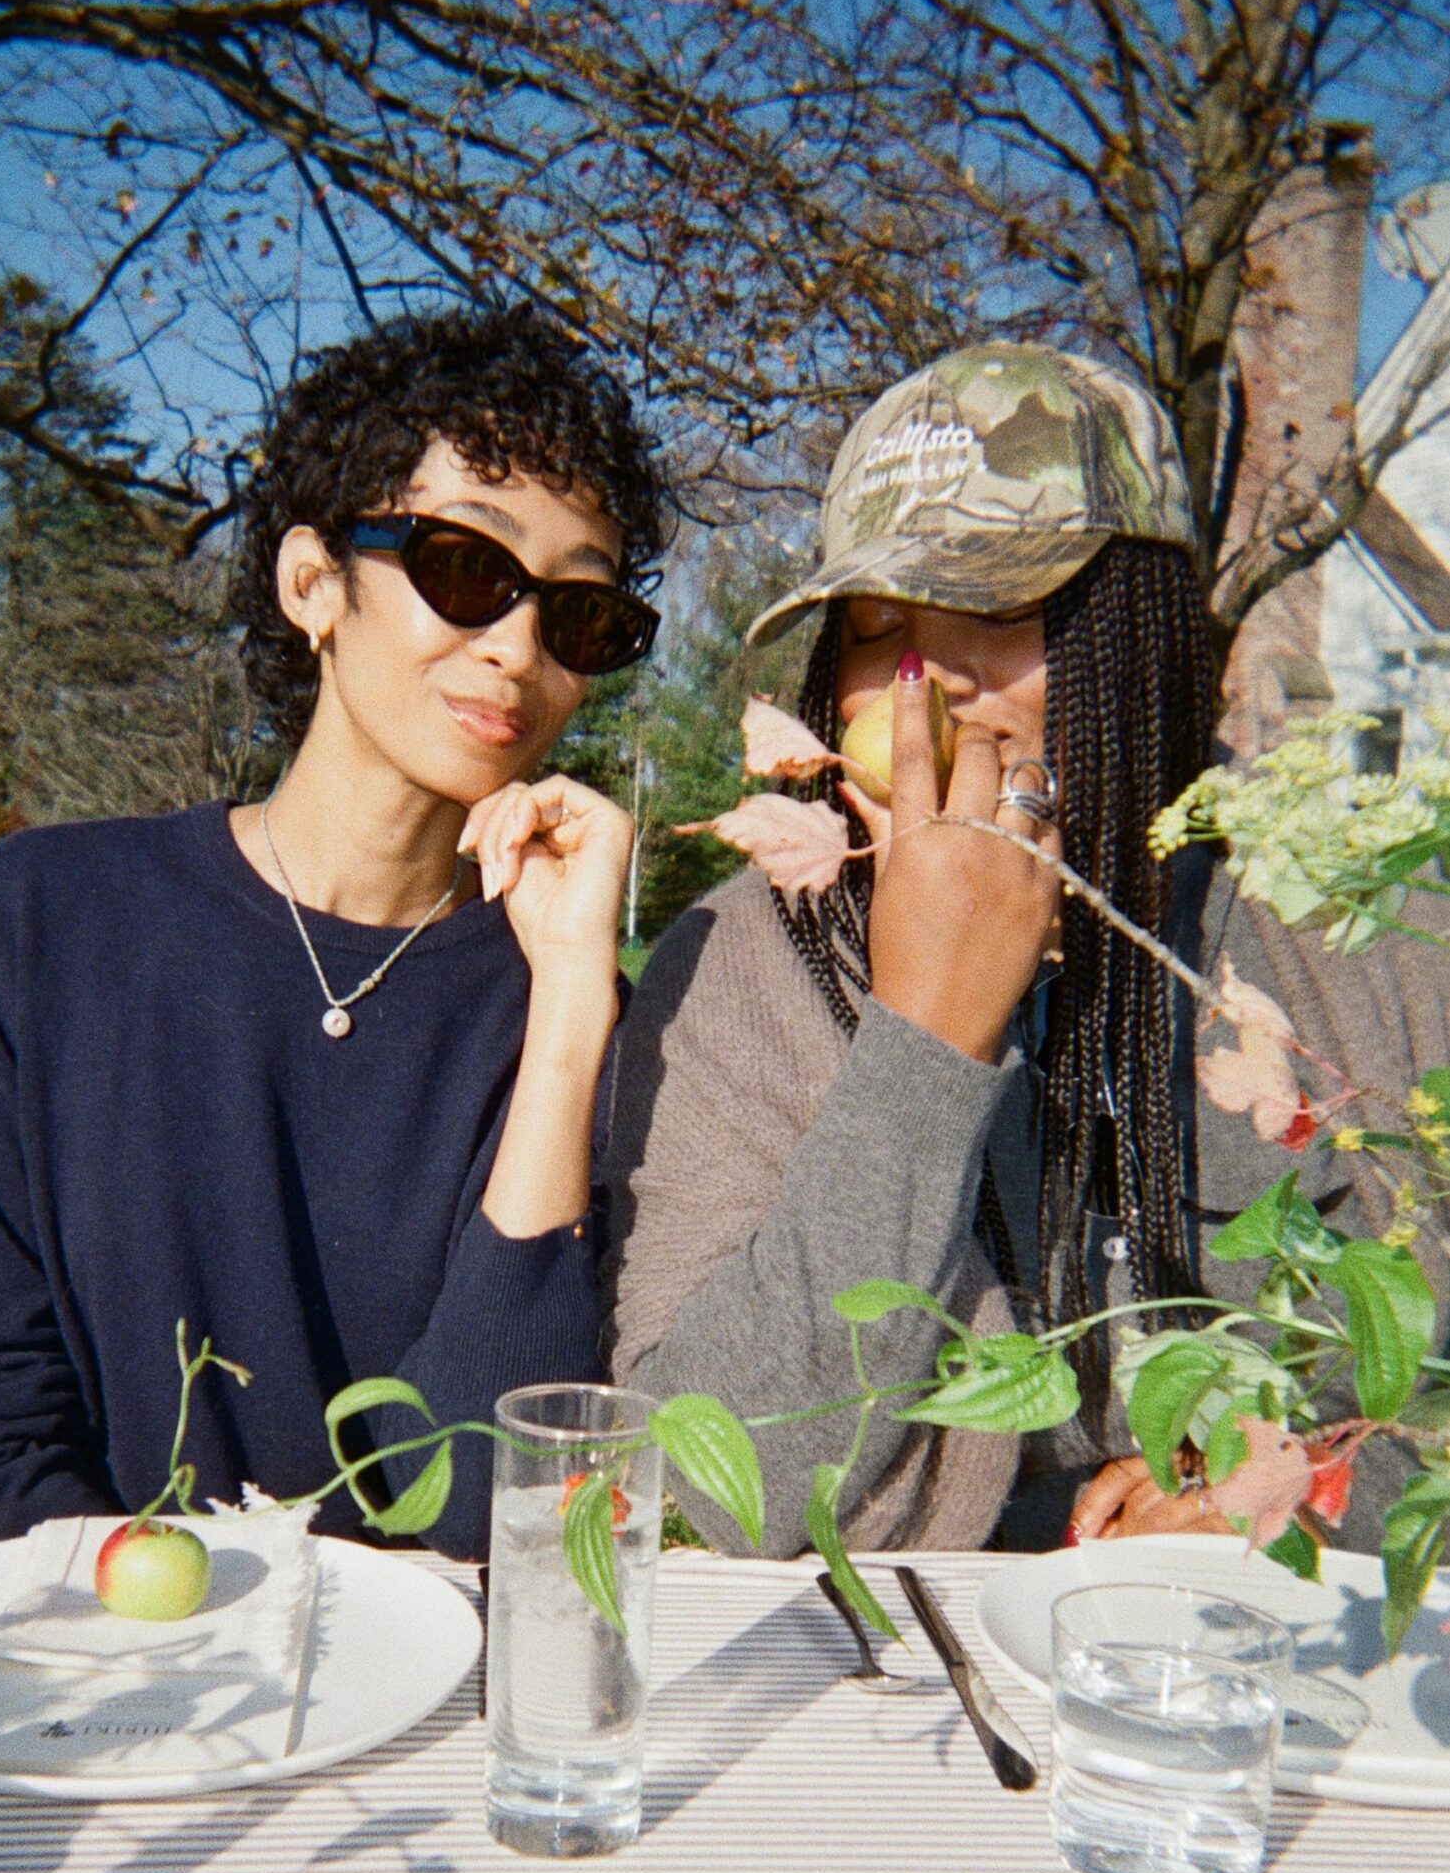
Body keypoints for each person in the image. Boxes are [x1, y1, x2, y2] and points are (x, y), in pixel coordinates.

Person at [602, 343, 1448, 1558]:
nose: (929, 687)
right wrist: (925, 1040)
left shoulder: (1348, 928)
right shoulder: (739, 962)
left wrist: (1308, 1492)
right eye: (877, 629)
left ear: (1142, 630)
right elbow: (691, 1485)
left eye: (1001, 610)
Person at [0, 302, 671, 1559]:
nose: (519, 647)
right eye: (468, 567)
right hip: (94, 1641)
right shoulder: (48, 919)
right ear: (313, 583)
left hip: (431, 1672)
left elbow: (488, 1496)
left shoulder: (560, 1000)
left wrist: (572, 1007)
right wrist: (146, 1636)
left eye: (580, 616)